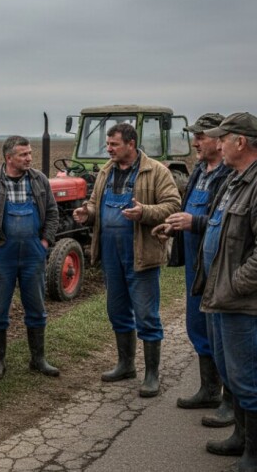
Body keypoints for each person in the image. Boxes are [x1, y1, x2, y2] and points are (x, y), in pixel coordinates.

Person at [193, 113, 257, 471]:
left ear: (240, 142)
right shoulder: (237, 179)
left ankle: (256, 458)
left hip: (246, 302)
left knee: (250, 377)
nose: (217, 144)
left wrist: (235, 285)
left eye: (222, 139)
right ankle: (240, 437)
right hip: (223, 298)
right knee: (232, 371)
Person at [72, 123, 181, 397]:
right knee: (117, 311)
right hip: (111, 253)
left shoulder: (156, 171)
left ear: (131, 144)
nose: (108, 149)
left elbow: (173, 205)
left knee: (146, 315)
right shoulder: (106, 172)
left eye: (114, 144)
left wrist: (144, 212)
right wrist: (87, 212)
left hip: (140, 253)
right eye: (108, 144)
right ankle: (126, 365)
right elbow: (95, 203)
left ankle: (152, 374)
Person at [152, 113, 236, 424]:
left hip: (218, 263)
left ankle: (232, 400)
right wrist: (174, 227)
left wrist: (194, 222)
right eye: (194, 136)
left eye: (201, 136)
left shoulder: (230, 175)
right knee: (198, 326)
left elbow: (230, 222)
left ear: (219, 139)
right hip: (195, 263)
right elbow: (188, 213)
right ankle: (209, 390)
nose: (195, 142)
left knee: (222, 332)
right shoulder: (200, 171)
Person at [0, 135, 60, 380]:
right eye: (23, 154)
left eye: (30, 153)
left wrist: (44, 242)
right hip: (1, 255)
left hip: (33, 256)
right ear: (9, 157)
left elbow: (52, 213)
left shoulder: (39, 180)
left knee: (37, 308)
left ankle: (38, 359)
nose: (29, 158)